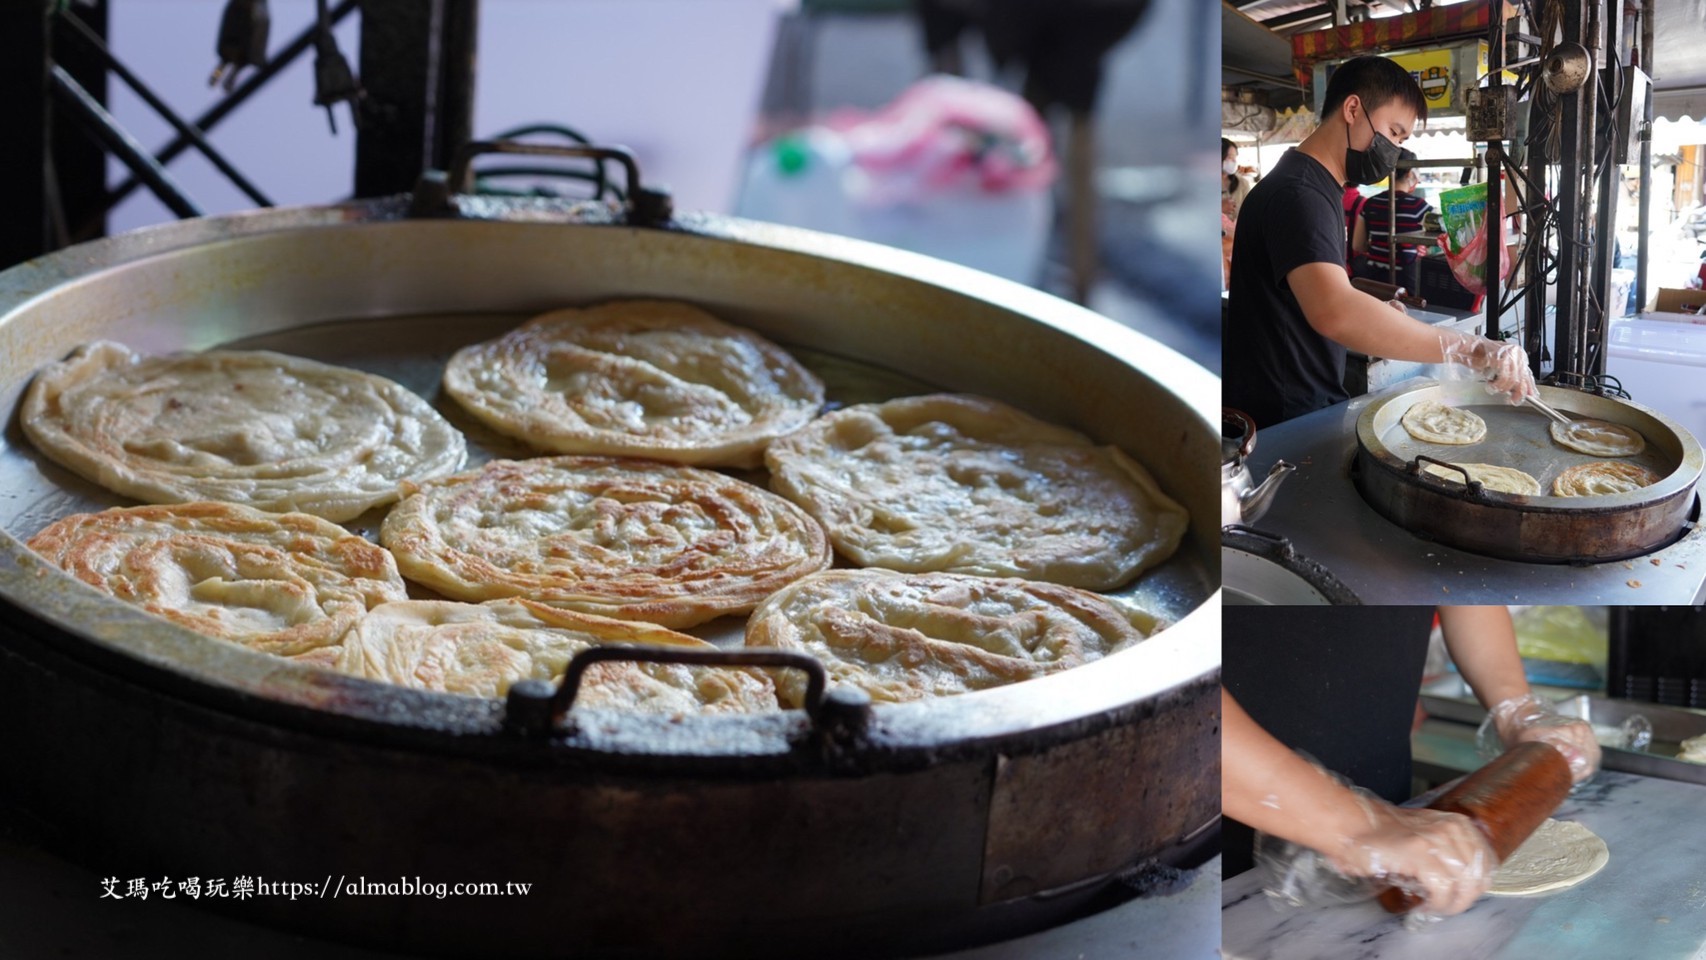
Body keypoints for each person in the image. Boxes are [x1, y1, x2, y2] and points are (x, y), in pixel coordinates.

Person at [1222, 606, 1602, 917]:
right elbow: (1171, 689)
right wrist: (1356, 826)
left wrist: (1516, 708)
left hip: (1396, 829)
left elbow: (1457, 584)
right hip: (1228, 833)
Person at [1223, 55, 1536, 428]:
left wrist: (1374, 308)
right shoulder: (1299, 193)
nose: (1395, 151)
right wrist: (1471, 348)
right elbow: (1334, 311)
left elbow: (1312, 294)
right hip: (1283, 418)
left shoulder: (1312, 185)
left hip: (1287, 404)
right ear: (1353, 108)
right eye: (1393, 132)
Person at [1351, 148, 1433, 290]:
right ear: (1410, 173)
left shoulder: (1370, 203)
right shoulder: (1420, 207)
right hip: (1407, 280)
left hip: (1374, 277)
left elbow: (1357, 245)